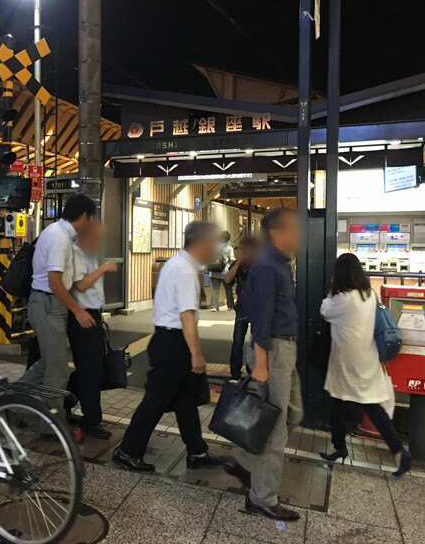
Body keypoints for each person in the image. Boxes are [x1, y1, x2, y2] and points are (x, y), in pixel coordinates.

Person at [113, 220, 223, 472]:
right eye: (212, 243)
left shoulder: (175, 263)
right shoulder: (184, 270)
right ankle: (127, 450)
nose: (214, 249)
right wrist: (196, 354)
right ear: (201, 243)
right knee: (155, 401)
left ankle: (197, 450)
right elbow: (186, 316)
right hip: (174, 342)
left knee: (185, 400)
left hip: (167, 340)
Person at [225, 208, 303, 522]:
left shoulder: (281, 264)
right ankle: (262, 498)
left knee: (294, 413)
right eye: (294, 229)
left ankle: (243, 458)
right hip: (272, 352)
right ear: (277, 233)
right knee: (274, 430)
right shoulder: (269, 266)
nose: (299, 234)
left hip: (286, 351)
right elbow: (261, 318)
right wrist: (260, 364)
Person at [319, 253, 412, 477]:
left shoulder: (342, 298)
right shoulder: (369, 295)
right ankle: (394, 451)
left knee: (338, 401)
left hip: (347, 362)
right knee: (367, 406)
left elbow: (324, 310)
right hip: (367, 359)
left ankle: (341, 446)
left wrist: (332, 290)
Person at [19, 193, 97, 412]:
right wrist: (78, 310)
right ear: (83, 215)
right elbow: (54, 282)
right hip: (48, 304)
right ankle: (52, 424)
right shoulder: (59, 237)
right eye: (90, 218)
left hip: (48, 303)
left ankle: (11, 402)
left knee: (47, 364)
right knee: (57, 370)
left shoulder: (58, 233)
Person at [65, 219, 118, 439]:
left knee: (91, 369)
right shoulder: (77, 253)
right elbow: (81, 284)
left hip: (92, 315)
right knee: (91, 371)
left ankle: (65, 402)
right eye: (96, 237)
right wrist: (104, 268)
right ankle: (91, 421)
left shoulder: (90, 254)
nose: (100, 241)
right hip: (82, 317)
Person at [224, 235, 260, 380]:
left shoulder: (261, 264)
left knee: (255, 341)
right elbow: (227, 279)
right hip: (242, 307)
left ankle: (253, 369)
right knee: (238, 340)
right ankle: (235, 372)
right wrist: (238, 264)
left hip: (258, 307)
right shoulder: (240, 263)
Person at [209, 231, 236, 311]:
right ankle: (230, 306)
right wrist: (237, 261)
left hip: (214, 270)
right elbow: (231, 258)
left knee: (215, 289)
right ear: (228, 239)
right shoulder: (229, 248)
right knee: (228, 289)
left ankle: (214, 306)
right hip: (225, 272)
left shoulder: (214, 246)